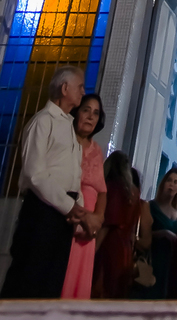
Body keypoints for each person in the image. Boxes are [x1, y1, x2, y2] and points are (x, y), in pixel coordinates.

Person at [1, 62, 98, 298]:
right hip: (42, 211)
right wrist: (70, 206)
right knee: (28, 282)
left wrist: (80, 212)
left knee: (50, 285)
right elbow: (36, 174)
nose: (83, 92)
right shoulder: (43, 121)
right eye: (80, 86)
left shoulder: (67, 126)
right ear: (65, 88)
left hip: (62, 216)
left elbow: (73, 176)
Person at [62, 89, 106, 298]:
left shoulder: (97, 150)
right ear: (77, 112)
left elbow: (102, 191)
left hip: (88, 231)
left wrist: (97, 218)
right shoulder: (65, 140)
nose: (90, 116)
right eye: (86, 110)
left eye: (96, 113)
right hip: (66, 220)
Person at [93, 151, 141, 297]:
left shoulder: (112, 188)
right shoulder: (133, 193)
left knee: (100, 291)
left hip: (108, 248)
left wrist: (92, 250)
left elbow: (107, 225)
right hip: (125, 250)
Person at [132, 167, 177, 300]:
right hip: (153, 259)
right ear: (163, 183)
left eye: (176, 182)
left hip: (170, 263)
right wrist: (163, 233)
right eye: (169, 180)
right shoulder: (150, 206)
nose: (172, 184)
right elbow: (144, 235)